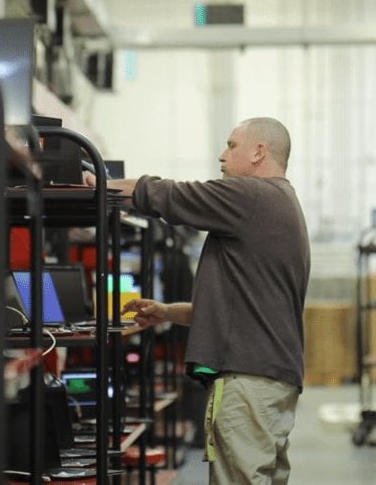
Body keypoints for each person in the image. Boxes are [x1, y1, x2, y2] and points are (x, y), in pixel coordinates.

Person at [90, 117, 310, 484]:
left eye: (231, 145)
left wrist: (103, 186)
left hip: (248, 382)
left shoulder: (253, 196)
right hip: (270, 380)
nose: (222, 156)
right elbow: (238, 311)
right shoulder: (278, 203)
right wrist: (165, 312)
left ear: (259, 152)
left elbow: (171, 195)